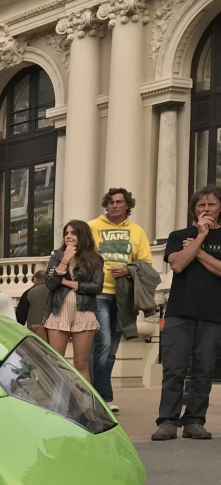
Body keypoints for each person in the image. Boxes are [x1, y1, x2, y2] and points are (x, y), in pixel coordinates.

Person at [152, 185, 221, 441]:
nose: (206, 209)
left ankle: (194, 420)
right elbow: (178, 264)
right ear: (194, 209)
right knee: (174, 369)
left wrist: (198, 251)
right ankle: (167, 420)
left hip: (213, 314)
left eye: (211, 204)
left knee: (204, 370)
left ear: (220, 207)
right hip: (180, 312)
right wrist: (201, 236)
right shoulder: (179, 234)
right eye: (201, 205)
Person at [89, 188, 153, 413]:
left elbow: (146, 263)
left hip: (123, 296)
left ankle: (96, 395)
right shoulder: (92, 227)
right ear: (106, 205)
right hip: (98, 293)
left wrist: (127, 270)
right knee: (103, 343)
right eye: (110, 202)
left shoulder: (137, 232)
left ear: (128, 205)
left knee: (111, 348)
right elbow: (80, 254)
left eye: (119, 202)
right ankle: (103, 397)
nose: (114, 206)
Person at [42, 221, 104, 382]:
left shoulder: (94, 259)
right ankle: (56, 403)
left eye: (73, 233)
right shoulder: (57, 257)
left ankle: (84, 404)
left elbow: (97, 287)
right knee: (56, 362)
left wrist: (70, 283)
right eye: (66, 233)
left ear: (82, 235)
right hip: (59, 311)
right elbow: (50, 283)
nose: (68, 236)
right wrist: (65, 260)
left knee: (81, 364)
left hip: (83, 312)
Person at [15, 268, 50, 339]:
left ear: (35, 279)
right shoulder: (55, 291)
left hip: (35, 331)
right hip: (54, 331)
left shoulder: (29, 292)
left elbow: (20, 316)